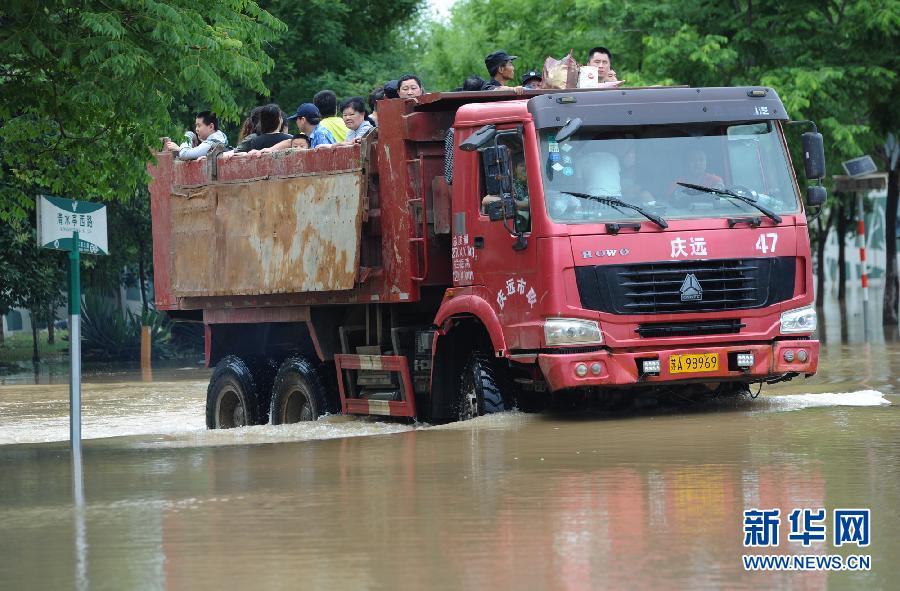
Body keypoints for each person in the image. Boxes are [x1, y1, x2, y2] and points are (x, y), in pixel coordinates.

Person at [163, 111, 227, 160]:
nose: (196, 129)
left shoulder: (209, 145)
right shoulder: (222, 139)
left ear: (211, 126)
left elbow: (184, 154)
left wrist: (189, 135)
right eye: (196, 126)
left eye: (199, 125)